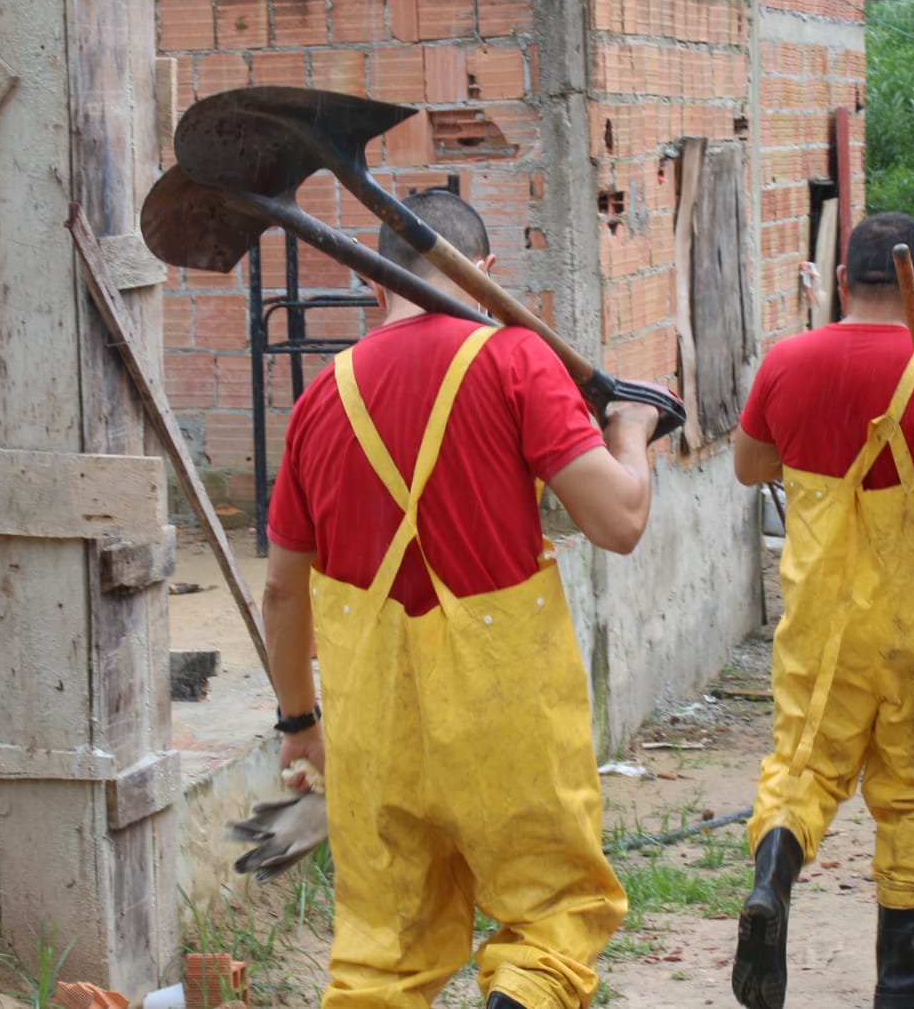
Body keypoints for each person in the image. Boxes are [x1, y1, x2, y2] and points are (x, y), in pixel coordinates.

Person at [261, 188, 660, 1009]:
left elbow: (280, 589)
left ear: (375, 284)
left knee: (383, 950)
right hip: (503, 707)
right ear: (482, 274)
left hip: (375, 722)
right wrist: (630, 431)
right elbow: (618, 521)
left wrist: (300, 724)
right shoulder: (514, 361)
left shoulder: (318, 400)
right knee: (552, 913)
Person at [731, 212, 914, 1009]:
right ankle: (899, 971)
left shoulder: (788, 361)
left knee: (802, 766)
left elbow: (749, 465)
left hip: (819, 624)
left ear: (839, 283)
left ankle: (771, 885)